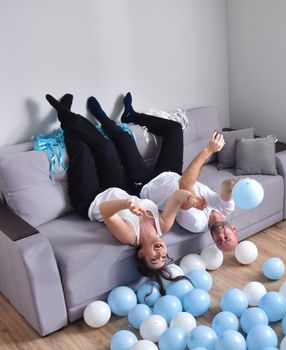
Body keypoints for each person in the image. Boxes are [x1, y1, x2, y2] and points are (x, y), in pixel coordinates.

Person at [45, 93, 197, 287]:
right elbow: (176, 197)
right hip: (115, 188)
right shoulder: (163, 225)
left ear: (142, 253)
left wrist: (126, 203)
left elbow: (107, 212)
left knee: (83, 152)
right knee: (106, 146)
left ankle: (65, 116)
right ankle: (66, 117)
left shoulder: (129, 236)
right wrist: (189, 198)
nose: (160, 253)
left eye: (154, 258)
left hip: (89, 200)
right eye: (163, 257)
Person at [88, 93, 240, 252]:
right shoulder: (226, 208)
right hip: (171, 173)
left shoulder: (196, 223)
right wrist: (237, 185)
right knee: (173, 129)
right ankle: (130, 115)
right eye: (226, 237)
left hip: (146, 184)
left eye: (219, 242)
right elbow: (227, 185)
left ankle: (102, 118)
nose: (220, 237)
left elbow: (185, 184)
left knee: (124, 139)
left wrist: (209, 150)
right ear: (234, 229)